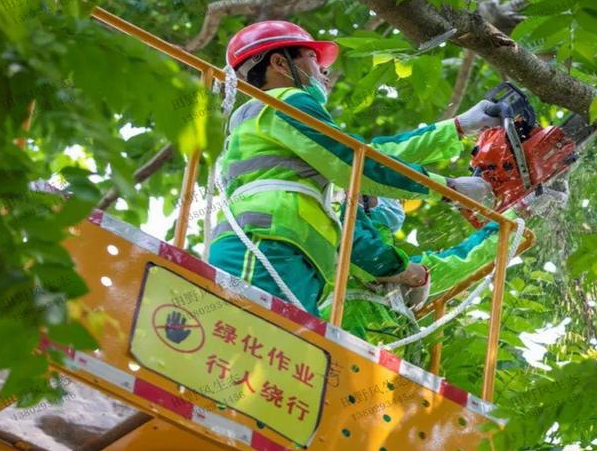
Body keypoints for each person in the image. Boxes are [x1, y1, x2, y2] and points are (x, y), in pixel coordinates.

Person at [208, 20, 502, 316]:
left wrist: (458, 127)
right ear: (280, 63)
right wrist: (449, 188)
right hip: (266, 244)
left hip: (286, 249)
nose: (323, 70)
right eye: (313, 58)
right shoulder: (286, 102)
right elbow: (356, 164)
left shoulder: (270, 118)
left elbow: (369, 155)